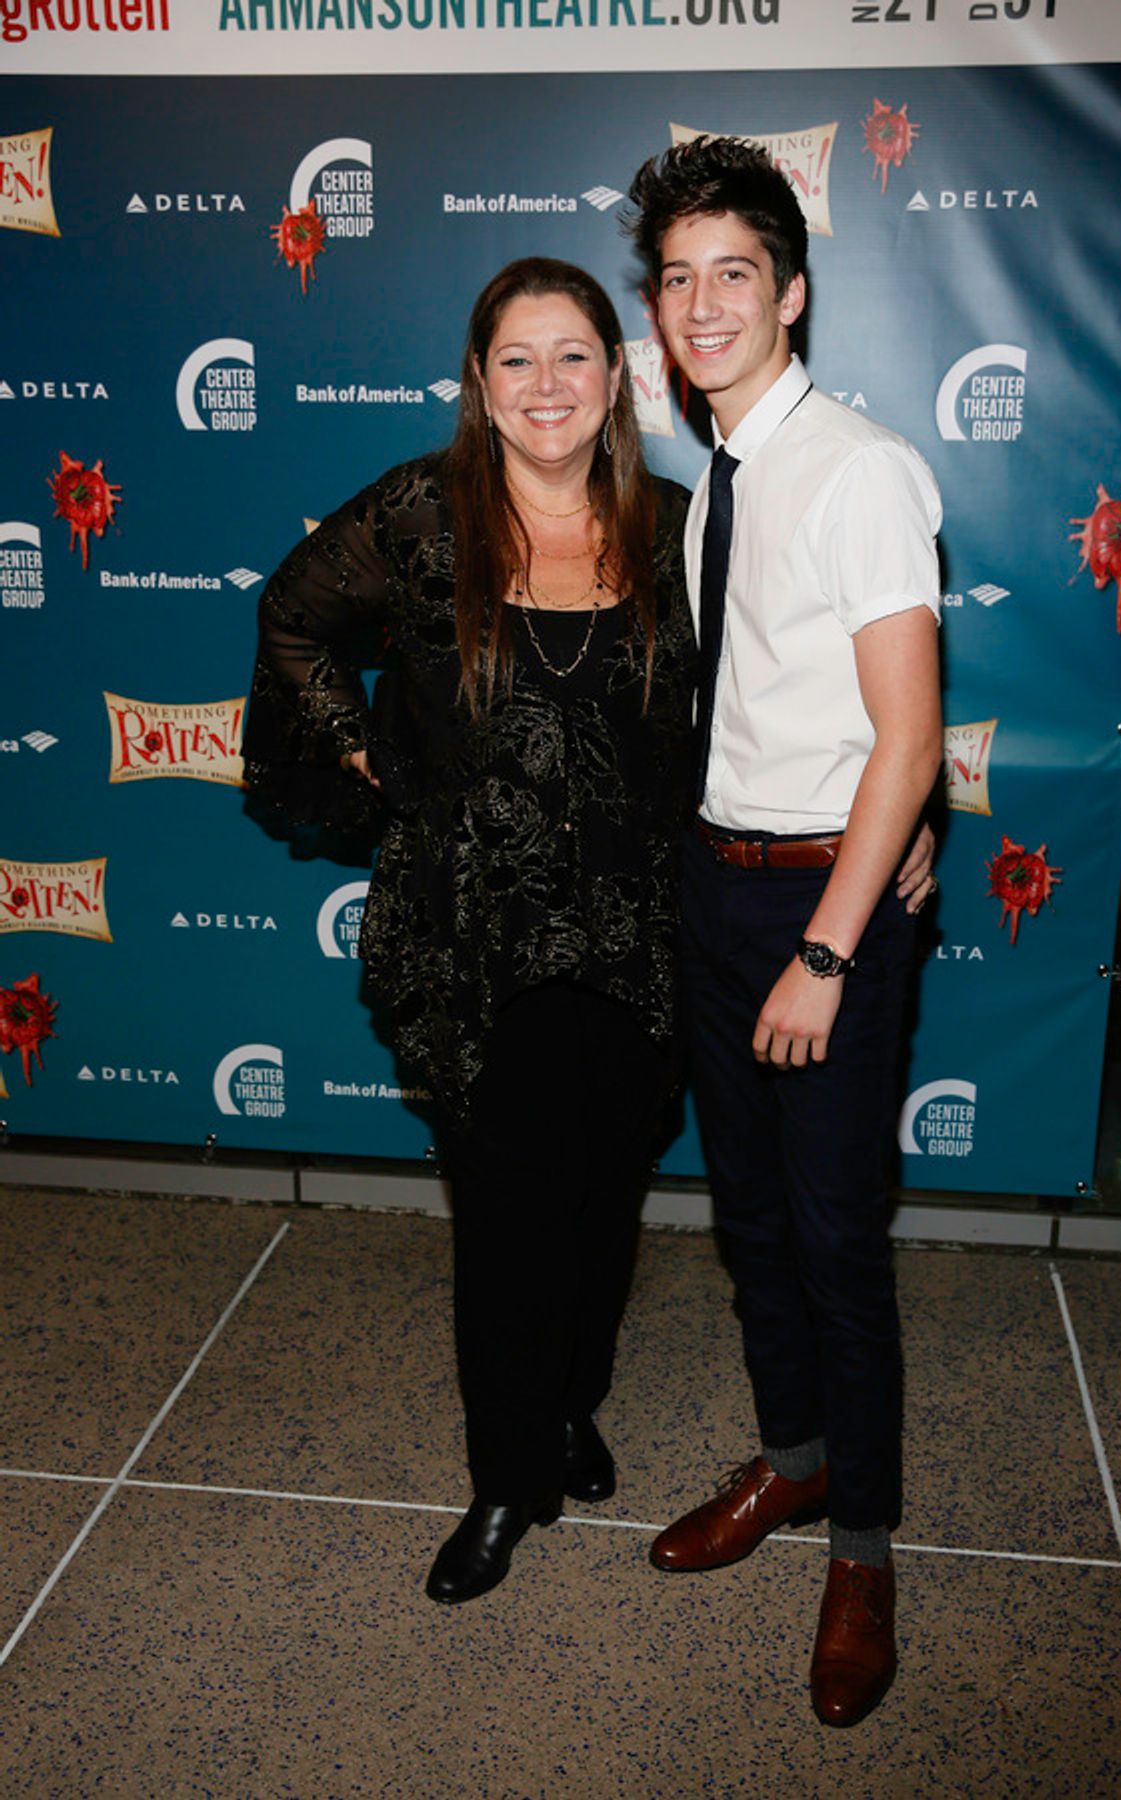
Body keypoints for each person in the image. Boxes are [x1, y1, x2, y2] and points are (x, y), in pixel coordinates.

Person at [245, 256, 698, 1604]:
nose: (547, 383)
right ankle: (507, 1476)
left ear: (618, 381)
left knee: (606, 1201)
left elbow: (776, 696)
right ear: (479, 386)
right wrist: (364, 754)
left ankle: (572, 1407)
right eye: (518, 358)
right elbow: (291, 618)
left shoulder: (680, 529)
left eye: (575, 356)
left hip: (636, 935)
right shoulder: (419, 516)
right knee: (506, 1223)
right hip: (474, 939)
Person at [625, 137, 943, 1727]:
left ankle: (867, 1552)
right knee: (748, 1224)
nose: (699, 304)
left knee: (834, 1245)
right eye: (675, 278)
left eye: (731, 273)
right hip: (719, 883)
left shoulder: (864, 469)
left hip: (823, 900)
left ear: (792, 292)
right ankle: (799, 1469)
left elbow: (904, 735)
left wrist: (827, 946)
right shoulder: (718, 488)